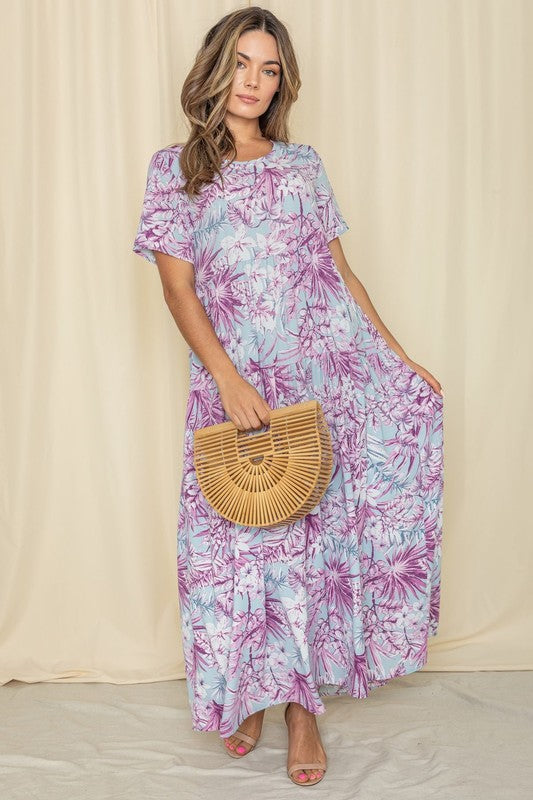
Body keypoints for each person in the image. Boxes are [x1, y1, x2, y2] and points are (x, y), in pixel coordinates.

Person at [132, 5, 444, 788]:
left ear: (281, 82)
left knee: (310, 545)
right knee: (234, 546)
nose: (254, 81)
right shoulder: (174, 169)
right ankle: (250, 693)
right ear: (215, 67)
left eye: (268, 68)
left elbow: (340, 276)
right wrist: (229, 380)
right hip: (232, 386)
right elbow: (179, 293)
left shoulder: (303, 164)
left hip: (318, 380)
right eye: (242, 63)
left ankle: (302, 710)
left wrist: (401, 361)